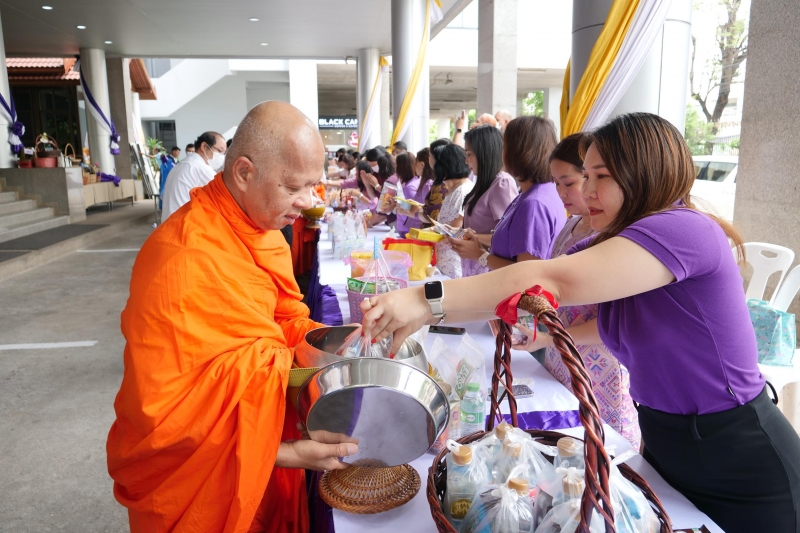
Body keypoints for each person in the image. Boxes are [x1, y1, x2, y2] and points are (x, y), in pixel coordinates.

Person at [361, 112, 800, 533]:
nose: (586, 190)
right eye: (584, 175)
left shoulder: (683, 229)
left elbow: (548, 277)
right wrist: (526, 328)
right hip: (669, 440)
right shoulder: (610, 242)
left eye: (601, 176)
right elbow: (528, 295)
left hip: (740, 454)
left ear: (647, 173)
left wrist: (425, 299)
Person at [107, 101, 358, 533]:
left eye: (314, 186)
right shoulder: (180, 257)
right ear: (243, 173)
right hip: (202, 487)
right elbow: (167, 422)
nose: (308, 202)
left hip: (259, 463)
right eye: (295, 187)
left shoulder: (263, 233)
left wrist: (337, 339)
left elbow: (284, 320)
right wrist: (288, 453)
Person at [516, 132, 640, 450]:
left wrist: (548, 338)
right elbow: (550, 288)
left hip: (602, 372)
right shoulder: (571, 226)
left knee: (605, 457)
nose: (565, 192)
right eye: (556, 183)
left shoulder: (618, 237)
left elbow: (613, 325)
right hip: (562, 357)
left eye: (570, 181)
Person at [450, 117, 565, 274]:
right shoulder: (535, 193)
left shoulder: (533, 204)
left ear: (517, 152)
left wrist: (479, 255)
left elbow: (527, 273)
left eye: (504, 146)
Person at [452, 125, 518, 277]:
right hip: (474, 265)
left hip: (488, 267)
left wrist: (467, 237)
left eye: (469, 154)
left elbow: (507, 237)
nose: (466, 160)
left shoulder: (502, 184)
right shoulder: (484, 183)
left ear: (484, 154)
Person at [161, 132, 227, 222]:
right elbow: (225, 197)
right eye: (220, 151)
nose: (222, 156)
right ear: (204, 146)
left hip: (168, 226)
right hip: (182, 228)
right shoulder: (201, 168)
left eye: (224, 153)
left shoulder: (183, 164)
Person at [433, 144, 474, 279]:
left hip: (455, 266)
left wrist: (432, 232)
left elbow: (455, 231)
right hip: (446, 264)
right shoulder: (455, 189)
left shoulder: (462, 191)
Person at [392, 152, 420, 237]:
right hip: (407, 229)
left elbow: (412, 209)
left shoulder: (410, 187)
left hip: (407, 230)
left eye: (396, 164)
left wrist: (399, 206)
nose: (395, 167)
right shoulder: (414, 182)